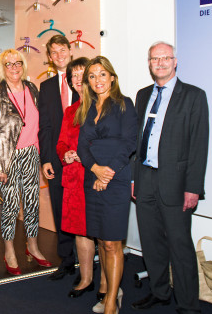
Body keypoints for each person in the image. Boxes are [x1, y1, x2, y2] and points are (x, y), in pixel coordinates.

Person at [131, 42, 208, 314]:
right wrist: (133, 179)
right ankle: (160, 292)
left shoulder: (194, 96)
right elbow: (136, 141)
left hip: (176, 184)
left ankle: (189, 305)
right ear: (149, 63)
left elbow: (199, 145)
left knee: (180, 246)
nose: (160, 62)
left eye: (166, 58)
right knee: (151, 244)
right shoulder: (142, 96)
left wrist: (194, 188)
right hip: (145, 179)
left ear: (176, 62)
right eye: (155, 58)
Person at [76, 56, 137, 314]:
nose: (98, 80)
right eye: (92, 76)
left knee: (112, 243)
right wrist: (95, 170)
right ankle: (109, 289)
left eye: (102, 74)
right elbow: (81, 147)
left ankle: (112, 301)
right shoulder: (88, 108)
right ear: (87, 82)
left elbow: (130, 142)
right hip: (93, 178)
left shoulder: (124, 104)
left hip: (117, 177)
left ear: (112, 77)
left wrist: (107, 173)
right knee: (101, 239)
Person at [0, 49, 50, 276]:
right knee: (11, 206)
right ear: (2, 68)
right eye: (8, 64)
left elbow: (40, 125)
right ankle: (9, 249)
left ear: (23, 66)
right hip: (8, 157)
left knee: (32, 203)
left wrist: (42, 156)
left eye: (18, 63)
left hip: (31, 154)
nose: (14, 67)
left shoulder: (32, 89)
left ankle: (32, 246)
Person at [56, 56, 109, 302]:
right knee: (81, 232)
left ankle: (108, 285)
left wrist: (88, 155)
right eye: (73, 76)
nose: (78, 80)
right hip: (75, 179)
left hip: (97, 177)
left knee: (102, 234)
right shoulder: (70, 111)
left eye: (82, 74)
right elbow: (61, 144)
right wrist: (65, 153)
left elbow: (112, 145)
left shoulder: (104, 106)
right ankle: (86, 279)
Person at [38, 34, 80, 280]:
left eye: (62, 49)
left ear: (70, 50)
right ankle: (66, 259)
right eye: (54, 52)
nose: (59, 55)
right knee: (60, 208)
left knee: (83, 210)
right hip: (56, 160)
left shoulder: (85, 80)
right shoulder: (46, 87)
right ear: (50, 58)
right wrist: (45, 159)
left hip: (83, 160)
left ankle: (89, 258)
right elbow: (44, 127)